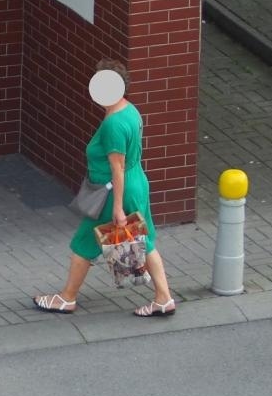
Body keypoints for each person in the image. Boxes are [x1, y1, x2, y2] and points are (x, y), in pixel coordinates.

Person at [33, 59, 177, 318]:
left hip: (113, 192)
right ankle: (164, 298)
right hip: (137, 182)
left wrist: (118, 208)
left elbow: (117, 167)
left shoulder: (113, 124)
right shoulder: (129, 111)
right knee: (144, 240)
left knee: (84, 242)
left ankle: (66, 298)